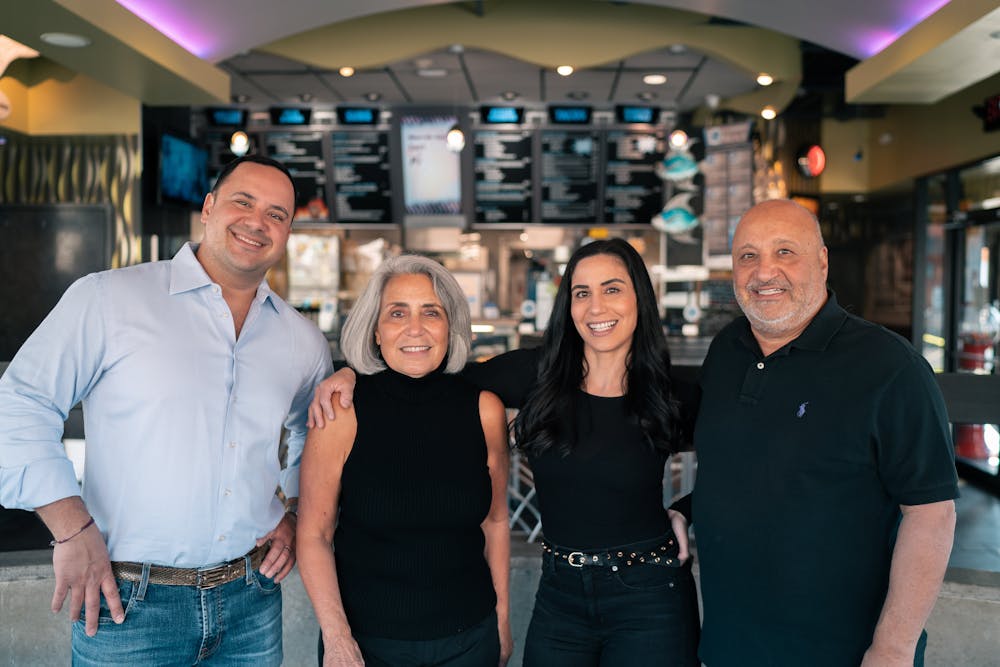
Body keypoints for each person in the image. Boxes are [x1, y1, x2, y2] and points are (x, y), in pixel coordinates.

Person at [0, 155, 333, 665]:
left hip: (253, 601)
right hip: (127, 603)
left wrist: (295, 511)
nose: (257, 222)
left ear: (288, 232)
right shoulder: (109, 298)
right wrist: (70, 525)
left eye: (276, 214)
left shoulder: (301, 339)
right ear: (209, 207)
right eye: (243, 202)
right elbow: (21, 402)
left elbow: (316, 433)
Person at [309, 239, 700, 666]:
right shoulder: (538, 375)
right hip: (561, 598)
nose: (596, 307)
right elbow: (430, 372)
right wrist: (349, 373)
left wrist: (686, 510)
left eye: (612, 289)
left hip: (650, 593)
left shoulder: (671, 393)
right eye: (582, 292)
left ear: (640, 296)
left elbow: (743, 457)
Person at [692, 198, 958, 667]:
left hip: (846, 653)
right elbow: (742, 468)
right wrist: (682, 510)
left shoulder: (890, 368)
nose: (764, 272)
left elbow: (931, 514)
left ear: (822, 261)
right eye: (748, 255)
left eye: (785, 252)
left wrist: (893, 648)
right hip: (730, 647)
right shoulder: (726, 350)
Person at [296, 254, 512, 667]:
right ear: (376, 331)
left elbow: (496, 520)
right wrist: (337, 638)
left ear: (449, 326)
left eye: (431, 312)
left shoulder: (485, 410)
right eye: (397, 313)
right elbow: (313, 535)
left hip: (470, 642)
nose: (415, 328)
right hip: (366, 647)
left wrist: (502, 618)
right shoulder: (341, 412)